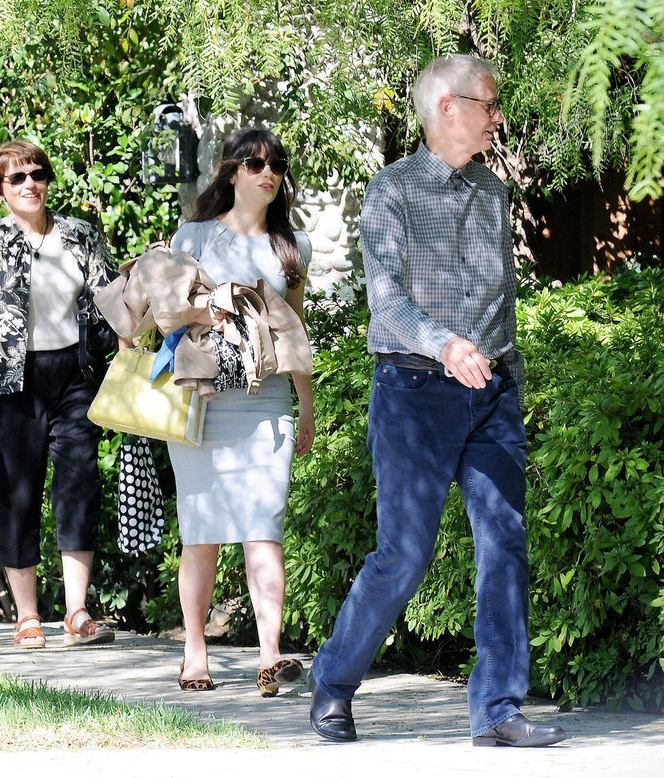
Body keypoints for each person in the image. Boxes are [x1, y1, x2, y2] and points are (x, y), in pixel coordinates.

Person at [309, 55, 567, 747]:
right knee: (404, 553)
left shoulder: (493, 191)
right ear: (447, 108)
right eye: (489, 102)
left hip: (490, 393)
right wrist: (445, 344)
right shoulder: (390, 192)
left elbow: (500, 293)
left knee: (504, 543)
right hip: (414, 390)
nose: (498, 114)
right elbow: (386, 298)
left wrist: (502, 365)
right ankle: (332, 685)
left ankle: (499, 710)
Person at [0, 139, 118, 649]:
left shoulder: (80, 236)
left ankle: (77, 612)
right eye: (16, 178)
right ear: (1, 189)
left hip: (74, 375)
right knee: (14, 495)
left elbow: (111, 302)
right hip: (7, 380)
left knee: (78, 487)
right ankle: (26, 616)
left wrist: (130, 353)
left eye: (37, 174)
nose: (30, 185)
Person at [167, 128, 314, 696]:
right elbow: (169, 311)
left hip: (267, 401)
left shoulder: (290, 244)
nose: (267, 173)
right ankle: (194, 651)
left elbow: (294, 330)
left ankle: (271, 655)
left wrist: (305, 406)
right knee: (200, 534)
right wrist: (218, 304)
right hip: (202, 400)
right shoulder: (197, 233)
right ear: (231, 173)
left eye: (276, 164)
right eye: (254, 164)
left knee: (263, 528)